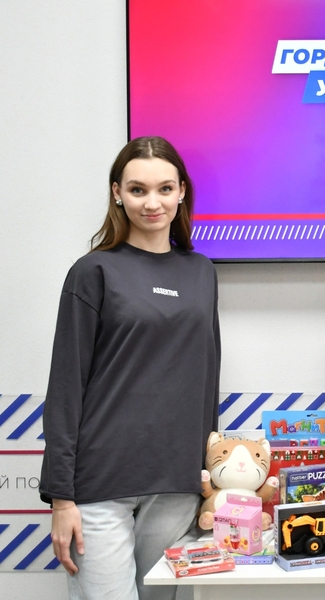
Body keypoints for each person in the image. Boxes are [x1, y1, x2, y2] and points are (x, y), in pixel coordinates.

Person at [39, 137, 221, 600]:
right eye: (138, 190)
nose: (152, 202)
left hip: (177, 482)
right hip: (99, 482)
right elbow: (66, 386)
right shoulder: (93, 271)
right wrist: (61, 497)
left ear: (182, 191)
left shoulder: (201, 272)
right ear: (117, 192)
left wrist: (209, 474)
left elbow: (206, 376)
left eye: (164, 189)